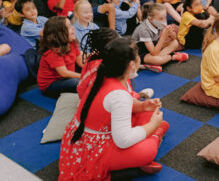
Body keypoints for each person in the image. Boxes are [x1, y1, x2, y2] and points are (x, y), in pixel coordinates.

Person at [59, 38, 170, 180]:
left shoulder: (104, 76)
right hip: (95, 148)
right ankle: (155, 135)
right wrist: (153, 125)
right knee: (148, 150)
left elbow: (110, 108)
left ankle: (152, 136)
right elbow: (123, 140)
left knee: (148, 113)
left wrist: (142, 106)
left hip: (89, 135)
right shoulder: (118, 94)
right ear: (131, 65)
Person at [132, 2, 188, 73]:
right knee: (157, 60)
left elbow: (173, 39)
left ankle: (157, 61)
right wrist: (164, 36)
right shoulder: (143, 30)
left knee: (175, 42)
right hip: (140, 53)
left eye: (165, 17)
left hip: (154, 49)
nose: (164, 21)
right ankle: (172, 57)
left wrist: (171, 34)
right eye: (161, 18)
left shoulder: (158, 23)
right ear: (151, 20)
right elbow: (154, 53)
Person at [37, 16, 82, 97]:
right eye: (69, 27)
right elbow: (64, 73)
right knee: (77, 82)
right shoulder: (52, 52)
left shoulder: (72, 42)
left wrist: (91, 69)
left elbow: (80, 61)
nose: (73, 29)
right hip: (51, 85)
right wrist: (84, 76)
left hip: (65, 77)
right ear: (59, 34)